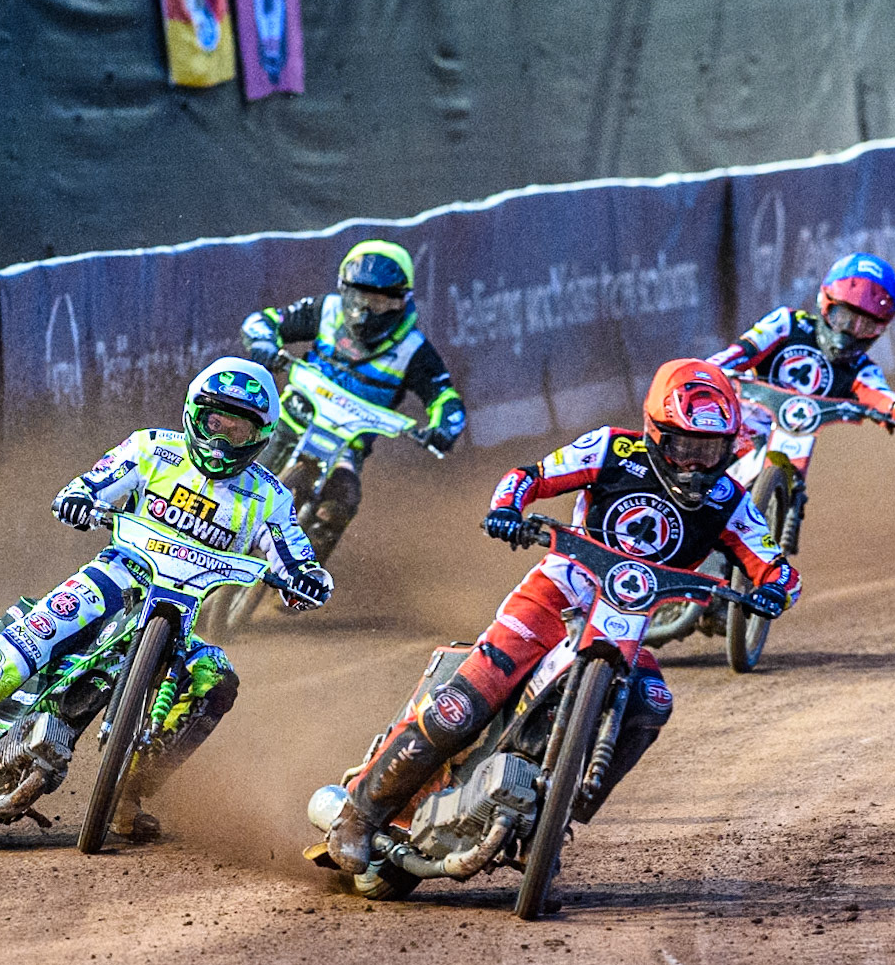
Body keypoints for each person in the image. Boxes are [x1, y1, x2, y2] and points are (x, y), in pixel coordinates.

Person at [324, 359, 801, 873]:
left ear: (730, 446)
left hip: (629, 623)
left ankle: (556, 813)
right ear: (655, 433)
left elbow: (775, 564)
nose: (695, 465)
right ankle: (359, 815)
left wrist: (775, 589)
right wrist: (508, 507)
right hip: (556, 594)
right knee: (462, 706)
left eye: (709, 452)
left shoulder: (729, 501)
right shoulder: (612, 450)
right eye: (684, 447)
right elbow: (529, 476)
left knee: (653, 702)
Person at [0, 357, 334, 840]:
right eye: (215, 421)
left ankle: (129, 790)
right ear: (193, 413)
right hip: (111, 582)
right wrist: (79, 497)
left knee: (217, 681)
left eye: (237, 428)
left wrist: (306, 579)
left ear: (261, 436)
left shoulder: (269, 497)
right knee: (17, 652)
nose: (222, 437)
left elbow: (294, 552)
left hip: (180, 616)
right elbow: (95, 482)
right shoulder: (152, 449)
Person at [239, 240, 466, 559]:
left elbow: (445, 398)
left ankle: (297, 581)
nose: (365, 311)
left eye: (378, 302)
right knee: (240, 476)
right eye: (359, 297)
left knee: (343, 500)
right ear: (344, 289)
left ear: (401, 302)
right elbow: (264, 322)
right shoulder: (325, 310)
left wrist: (444, 429)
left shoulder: (413, 349)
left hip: (347, 446)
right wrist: (264, 343)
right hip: (290, 421)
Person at [707, 252, 895, 456]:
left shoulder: (862, 369)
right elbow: (737, 354)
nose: (848, 332)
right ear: (824, 303)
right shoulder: (787, 323)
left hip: (785, 446)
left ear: (878, 331)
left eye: (864, 326)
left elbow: (878, 393)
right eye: (842, 317)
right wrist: (703, 373)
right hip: (728, 422)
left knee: (795, 490)